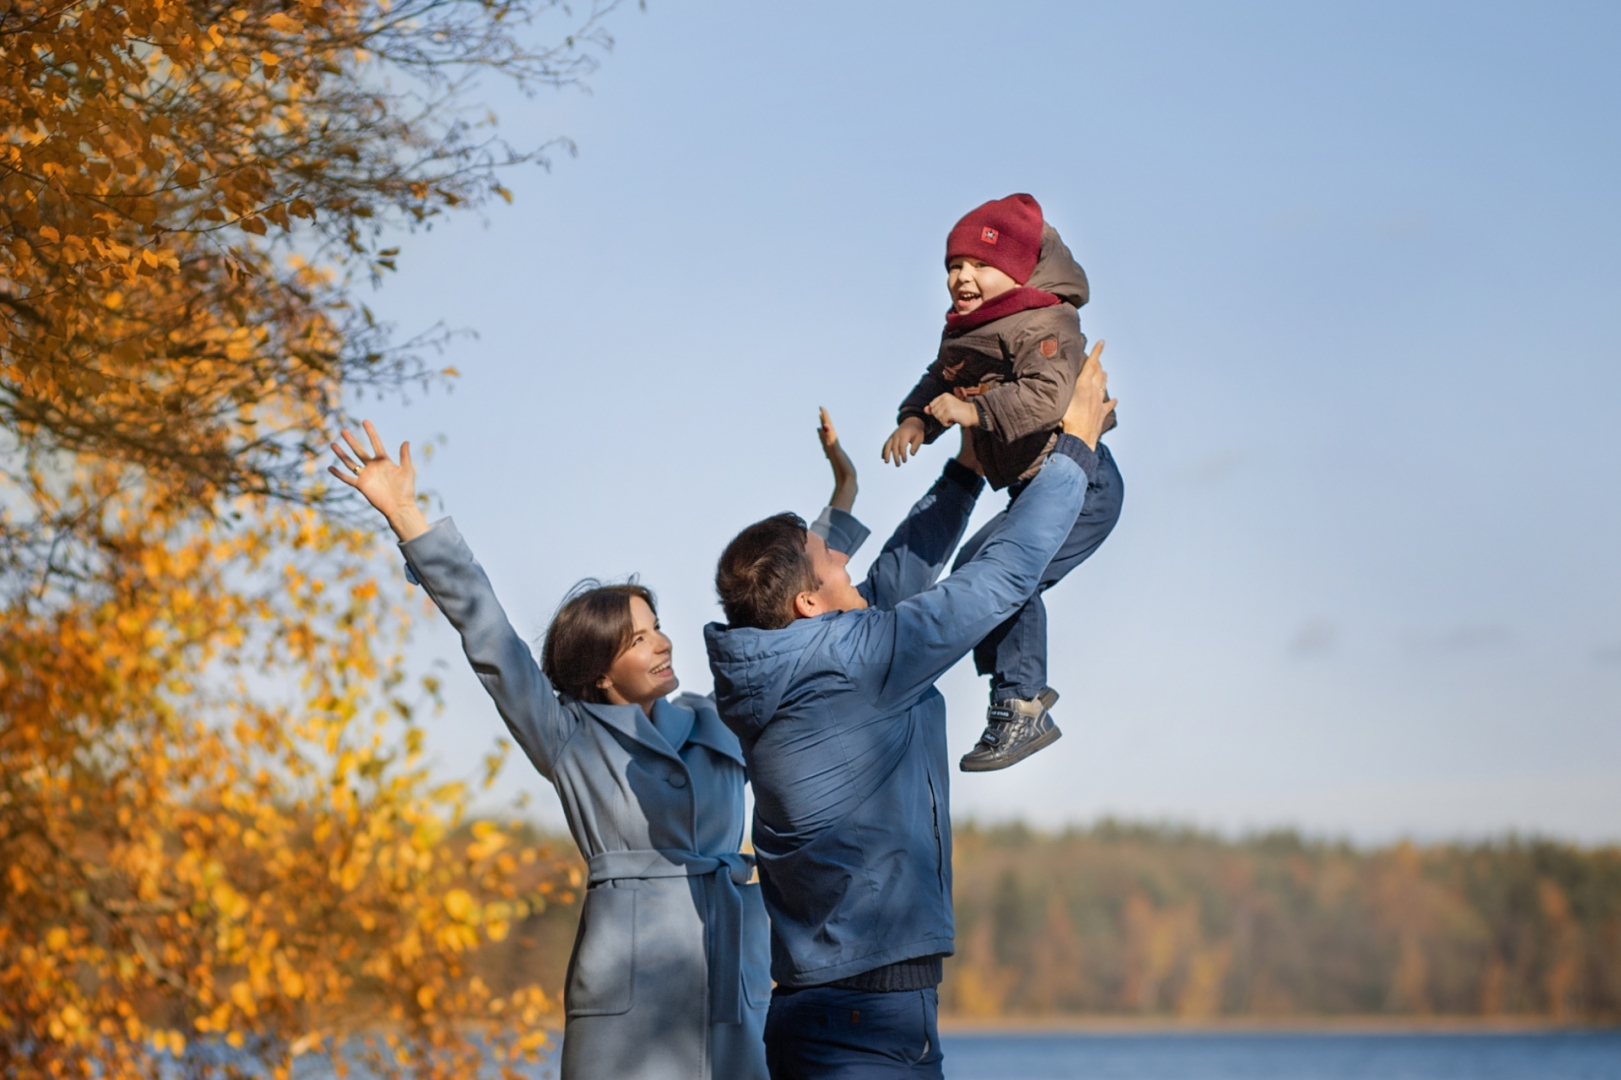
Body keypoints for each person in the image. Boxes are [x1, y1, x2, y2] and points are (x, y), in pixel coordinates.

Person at [325, 415, 867, 1080]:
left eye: (658, 627)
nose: (662, 643)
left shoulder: (721, 716)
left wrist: (843, 493)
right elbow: (487, 633)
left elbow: (788, 609)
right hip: (627, 999)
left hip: (733, 970)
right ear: (600, 670)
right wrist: (406, 513)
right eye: (638, 638)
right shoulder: (568, 736)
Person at [705, 355, 1117, 1079]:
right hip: (868, 1020)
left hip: (822, 1010)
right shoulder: (854, 663)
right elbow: (1001, 576)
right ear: (807, 604)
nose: (841, 552)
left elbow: (898, 574)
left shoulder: (788, 666)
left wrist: (963, 471)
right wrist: (1075, 447)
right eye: (824, 554)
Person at [882, 193, 1125, 772]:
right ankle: (1015, 689)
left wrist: (975, 414)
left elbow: (1047, 394)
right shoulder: (970, 330)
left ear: (1015, 271)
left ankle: (1020, 701)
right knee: (975, 568)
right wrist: (915, 417)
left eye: (980, 267)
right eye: (953, 267)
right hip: (1032, 489)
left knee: (1010, 579)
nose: (962, 278)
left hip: (1081, 486)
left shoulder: (1047, 322)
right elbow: (939, 377)